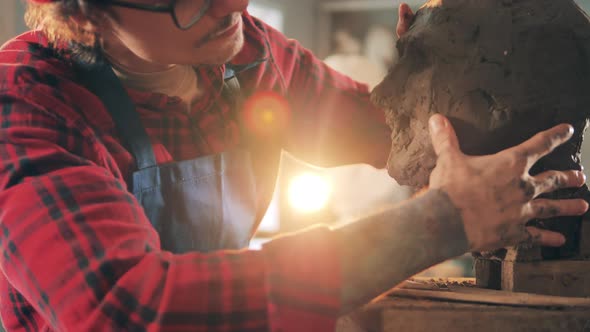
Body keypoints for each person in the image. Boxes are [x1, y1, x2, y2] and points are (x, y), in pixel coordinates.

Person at [0, 1, 586, 331]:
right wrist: (437, 224)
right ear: (84, 11)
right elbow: (129, 310)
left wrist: (437, 66)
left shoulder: (250, 54)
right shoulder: (26, 106)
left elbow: (402, 136)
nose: (232, 4)